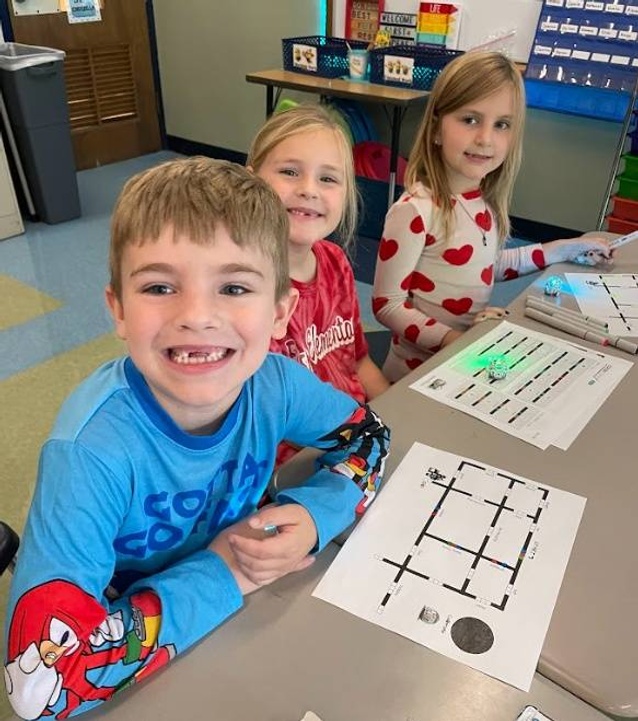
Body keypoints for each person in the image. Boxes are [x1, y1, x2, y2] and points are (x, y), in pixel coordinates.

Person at [3, 158, 390, 720]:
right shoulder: (88, 454)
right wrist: (227, 569)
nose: (197, 316)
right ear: (118, 309)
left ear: (280, 311)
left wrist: (315, 516)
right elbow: (39, 689)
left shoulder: (275, 385)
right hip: (137, 651)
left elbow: (370, 437)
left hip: (246, 623)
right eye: (160, 286)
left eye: (233, 286)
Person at [372, 50, 613, 382]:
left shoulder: (482, 202)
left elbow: (486, 266)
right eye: (470, 119)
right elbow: (387, 305)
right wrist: (455, 341)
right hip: (417, 375)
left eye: (501, 125)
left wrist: (564, 248)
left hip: (466, 361)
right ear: (435, 128)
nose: (486, 138)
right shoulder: (415, 211)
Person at [247, 105, 389, 465]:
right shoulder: (242, 290)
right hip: (297, 463)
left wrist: (392, 418)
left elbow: (357, 361)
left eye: (328, 179)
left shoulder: (335, 263)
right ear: (250, 183)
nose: (308, 189)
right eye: (290, 172)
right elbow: (261, 419)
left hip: (356, 438)